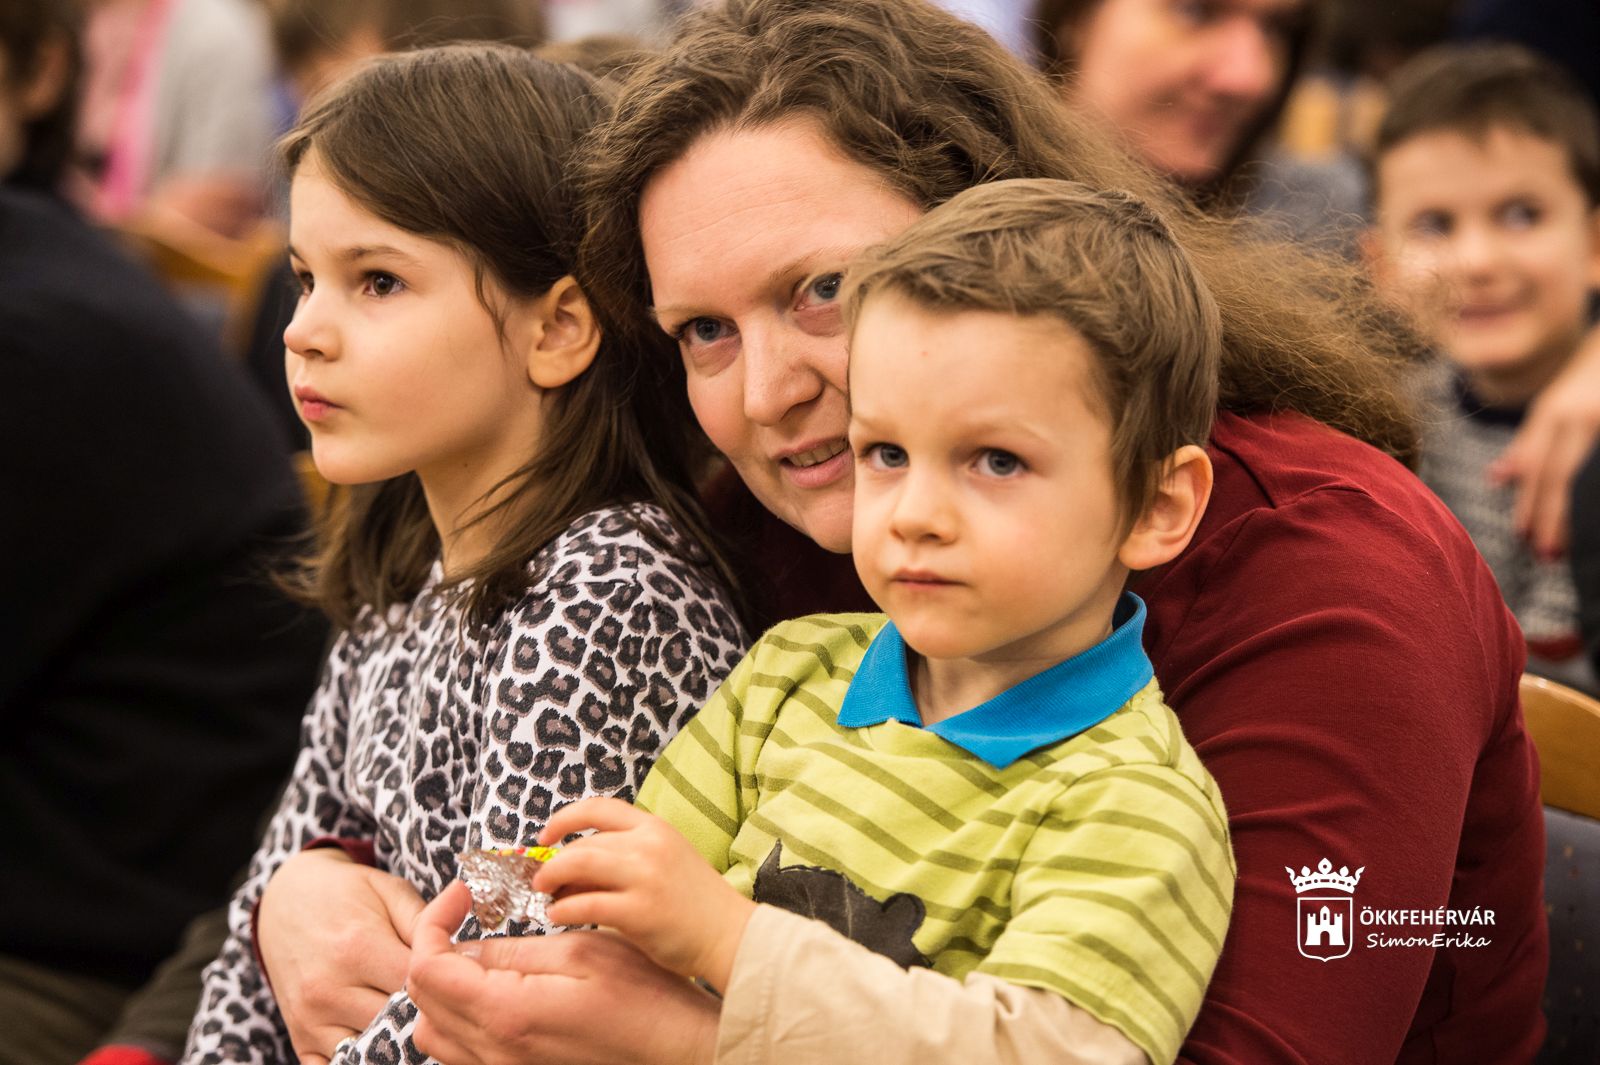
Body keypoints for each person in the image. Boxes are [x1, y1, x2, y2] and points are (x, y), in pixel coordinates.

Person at [259, 2, 1548, 1062]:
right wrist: (318, 884)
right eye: (704, 331)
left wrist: (688, 1036)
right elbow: (575, 859)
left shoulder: (1330, 571)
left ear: (1002, 228)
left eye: (825, 291)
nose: (765, 396)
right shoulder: (807, 542)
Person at [416, 177, 1236, 1065]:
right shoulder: (788, 675)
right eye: (886, 453)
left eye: (995, 460)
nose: (915, 512)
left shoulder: (1137, 803)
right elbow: (635, 888)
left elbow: (1041, 1050)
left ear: (1158, 504)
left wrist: (729, 944)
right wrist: (500, 897)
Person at [179, 44, 748, 1065]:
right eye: (306, 278)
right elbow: (260, 924)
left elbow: (505, 970)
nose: (305, 331)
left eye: (379, 282)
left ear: (559, 327)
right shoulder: (402, 593)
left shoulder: (608, 597)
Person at [1032, 0, 1600, 557]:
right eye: (1196, 11)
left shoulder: (1322, 210)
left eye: (1281, 30)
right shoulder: (967, 198)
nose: (1248, 76)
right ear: (1074, 17)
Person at [1363, 43, 1600, 695]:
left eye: (1522, 214)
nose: (1476, 260)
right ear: (1380, 268)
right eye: (1435, 224)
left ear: (1596, 244)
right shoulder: (1383, 432)